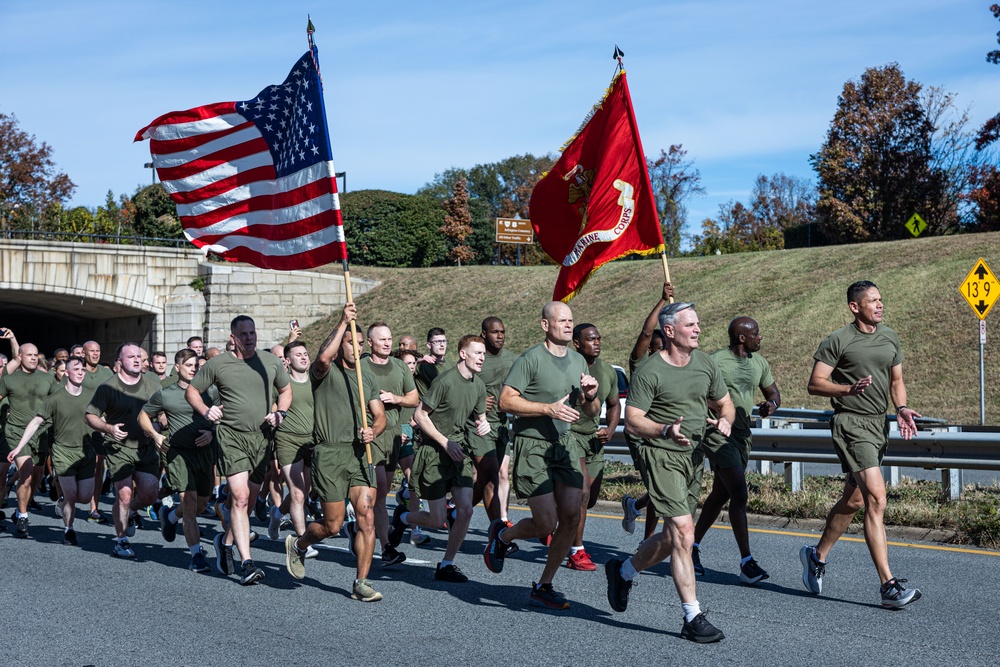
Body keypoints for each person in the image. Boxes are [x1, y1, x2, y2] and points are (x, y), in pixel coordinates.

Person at [605, 301, 734, 643]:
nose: (698, 329)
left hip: (693, 456)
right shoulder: (650, 370)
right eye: (691, 324)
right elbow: (633, 421)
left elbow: (725, 403)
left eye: (698, 323)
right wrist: (664, 430)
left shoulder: (705, 363)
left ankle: (623, 571)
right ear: (670, 331)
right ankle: (693, 616)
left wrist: (725, 420)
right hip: (660, 453)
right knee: (683, 531)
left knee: (673, 538)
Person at [801, 280, 922, 609]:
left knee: (853, 501)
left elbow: (896, 381)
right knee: (877, 499)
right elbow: (815, 384)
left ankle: (816, 556)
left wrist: (901, 409)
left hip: (878, 425)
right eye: (873, 301)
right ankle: (888, 586)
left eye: (881, 299)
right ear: (855, 307)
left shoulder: (890, 337)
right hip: (851, 424)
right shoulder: (838, 340)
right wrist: (847, 390)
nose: (880, 305)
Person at [484, 301, 599, 610]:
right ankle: (503, 537)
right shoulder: (530, 359)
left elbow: (592, 410)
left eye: (570, 320)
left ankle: (544, 584)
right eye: (560, 320)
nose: (566, 324)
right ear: (545, 325)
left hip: (564, 444)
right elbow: (506, 402)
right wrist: (547, 409)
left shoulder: (578, 361)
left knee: (572, 516)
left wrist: (590, 395)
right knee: (545, 523)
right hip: (532, 445)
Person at [284, 303, 388, 602]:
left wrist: (375, 431)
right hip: (329, 454)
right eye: (348, 342)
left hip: (359, 453)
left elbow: (379, 415)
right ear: (339, 343)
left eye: (358, 343)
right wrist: (343, 321)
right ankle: (300, 544)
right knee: (332, 525)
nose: (354, 348)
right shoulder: (323, 372)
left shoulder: (367, 378)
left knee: (366, 517)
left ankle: (361, 582)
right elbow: (322, 358)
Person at [187, 316, 291, 585]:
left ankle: (226, 540)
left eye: (252, 332)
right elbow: (192, 392)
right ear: (233, 337)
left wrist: (281, 411)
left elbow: (286, 389)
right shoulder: (218, 364)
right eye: (243, 334)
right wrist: (206, 410)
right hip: (231, 436)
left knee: (249, 500)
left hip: (262, 438)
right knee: (241, 497)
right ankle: (247, 563)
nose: (249, 337)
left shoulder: (270, 362)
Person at [388, 334, 490, 582]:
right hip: (435, 452)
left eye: (484, 354)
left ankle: (446, 564)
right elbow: (421, 416)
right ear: (463, 354)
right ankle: (402, 518)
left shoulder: (478, 384)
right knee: (437, 519)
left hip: (458, 454)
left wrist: (483, 424)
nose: (482, 358)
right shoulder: (444, 381)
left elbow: (480, 416)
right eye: (477, 353)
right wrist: (445, 442)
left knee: (465, 512)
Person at [693, 317, 781, 584]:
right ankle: (746, 561)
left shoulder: (759, 362)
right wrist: (720, 408)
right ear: (742, 337)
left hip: (743, 435)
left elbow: (773, 392)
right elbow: (697, 391)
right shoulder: (715, 361)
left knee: (720, 495)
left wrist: (771, 405)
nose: (760, 337)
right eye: (756, 333)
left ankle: (691, 546)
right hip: (718, 433)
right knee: (740, 493)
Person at [138, 349, 218, 572]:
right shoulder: (166, 394)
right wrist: (155, 435)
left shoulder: (210, 391)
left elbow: (222, 416)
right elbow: (143, 415)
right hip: (178, 453)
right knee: (190, 503)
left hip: (204, 453)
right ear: (177, 368)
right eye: (189, 365)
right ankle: (196, 555)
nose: (194, 368)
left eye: (196, 365)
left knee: (201, 504)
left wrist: (212, 432)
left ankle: (170, 515)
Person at [85, 343, 164, 557]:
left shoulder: (152, 385)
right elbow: (90, 415)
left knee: (150, 493)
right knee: (125, 494)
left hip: (145, 447)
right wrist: (108, 428)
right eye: (131, 356)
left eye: (139, 356)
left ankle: (129, 513)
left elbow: (163, 413)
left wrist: (158, 426)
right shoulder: (108, 387)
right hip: (119, 447)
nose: (137, 360)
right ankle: (121, 540)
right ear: (120, 362)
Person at [7, 356, 94, 545]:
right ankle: (68, 530)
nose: (80, 372)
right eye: (76, 369)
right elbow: (36, 422)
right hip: (63, 451)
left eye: (83, 370)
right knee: (71, 494)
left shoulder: (91, 395)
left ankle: (63, 503)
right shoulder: (55, 398)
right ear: (67, 373)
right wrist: (19, 447)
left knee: (85, 497)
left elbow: (103, 418)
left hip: (86, 451)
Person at [563, 322, 620, 571]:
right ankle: (576, 552)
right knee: (582, 493)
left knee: (590, 500)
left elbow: (615, 404)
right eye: (590, 339)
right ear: (577, 343)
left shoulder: (607, 371)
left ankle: (559, 523)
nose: (596, 342)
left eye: (598, 338)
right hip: (569, 436)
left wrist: (610, 428)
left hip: (594, 440)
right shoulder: (565, 367)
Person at [363, 322, 419, 567]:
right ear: (369, 343)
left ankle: (364, 527)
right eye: (381, 339)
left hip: (394, 434)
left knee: (382, 494)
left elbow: (413, 397)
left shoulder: (399, 367)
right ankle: (386, 546)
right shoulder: (361, 367)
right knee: (380, 486)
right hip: (371, 434)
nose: (386, 343)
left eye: (389, 339)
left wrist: (395, 398)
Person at [621, 283, 673, 541]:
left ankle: (634, 507)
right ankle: (648, 542)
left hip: (664, 432)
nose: (665, 349)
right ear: (651, 348)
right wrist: (663, 301)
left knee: (660, 487)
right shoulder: (641, 363)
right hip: (641, 432)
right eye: (659, 345)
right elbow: (646, 331)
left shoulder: (674, 367)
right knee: (657, 486)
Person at [0, 339, 56, 538]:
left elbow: (57, 402)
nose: (33, 357)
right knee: (27, 472)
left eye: (35, 354)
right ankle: (23, 516)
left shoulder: (48, 378)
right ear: (20, 357)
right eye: (29, 355)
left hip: (40, 433)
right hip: (16, 431)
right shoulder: (9, 380)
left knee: (38, 475)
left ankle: (19, 510)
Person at [270, 340, 315, 543]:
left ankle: (278, 514)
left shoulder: (317, 380)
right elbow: (268, 406)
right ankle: (302, 541)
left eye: (305, 353)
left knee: (304, 491)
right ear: (287, 361)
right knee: (297, 492)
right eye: (298, 354)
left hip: (312, 442)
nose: (304, 357)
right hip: (288, 439)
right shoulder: (281, 384)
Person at [81, 340, 114, 525]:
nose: (95, 354)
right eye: (91, 351)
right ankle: (63, 493)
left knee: (98, 465)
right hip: (76, 425)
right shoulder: (77, 370)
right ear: (83, 353)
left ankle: (94, 508)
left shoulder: (107, 373)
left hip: (98, 426)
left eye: (98, 351)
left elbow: (113, 394)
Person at [414, 328, 453, 396]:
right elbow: (402, 368)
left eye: (444, 341)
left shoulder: (453, 365)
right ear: (429, 345)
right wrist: (417, 361)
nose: (442, 345)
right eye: (438, 342)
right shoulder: (421, 365)